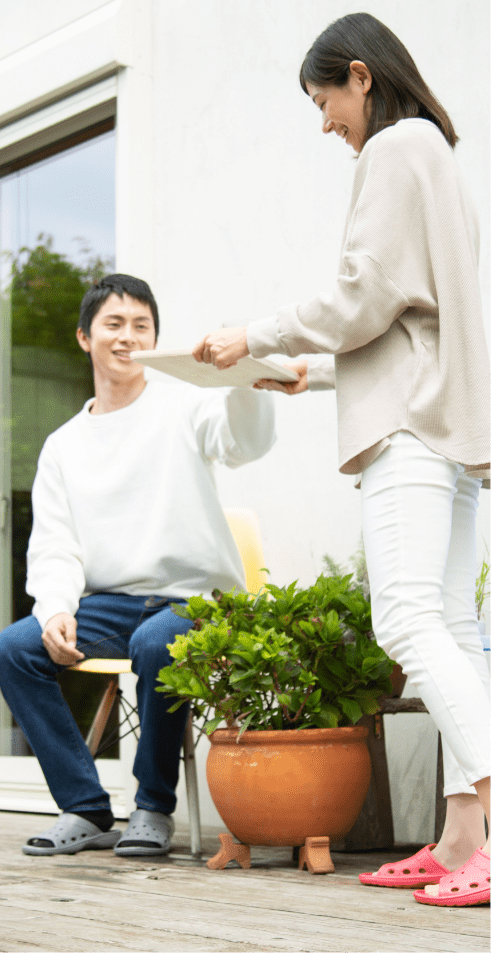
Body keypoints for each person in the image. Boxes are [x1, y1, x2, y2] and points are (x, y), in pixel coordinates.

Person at [193, 12, 491, 908]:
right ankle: (458, 837)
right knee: (448, 626)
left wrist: (258, 330)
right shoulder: (434, 155)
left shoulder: (393, 149)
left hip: (407, 432)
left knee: (405, 623)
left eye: (323, 100)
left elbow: (365, 293)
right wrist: (310, 373)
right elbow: (412, 318)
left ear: (359, 77)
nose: (325, 123)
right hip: (446, 423)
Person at [0, 273, 276, 857]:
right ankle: (86, 807)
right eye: (113, 324)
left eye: (140, 326)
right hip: (111, 604)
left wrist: (247, 380)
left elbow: (244, 445)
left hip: (198, 601)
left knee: (156, 641)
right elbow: (54, 546)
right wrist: (56, 611)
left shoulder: (185, 403)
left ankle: (152, 807)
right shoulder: (63, 445)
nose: (127, 337)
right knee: (13, 649)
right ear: (84, 338)